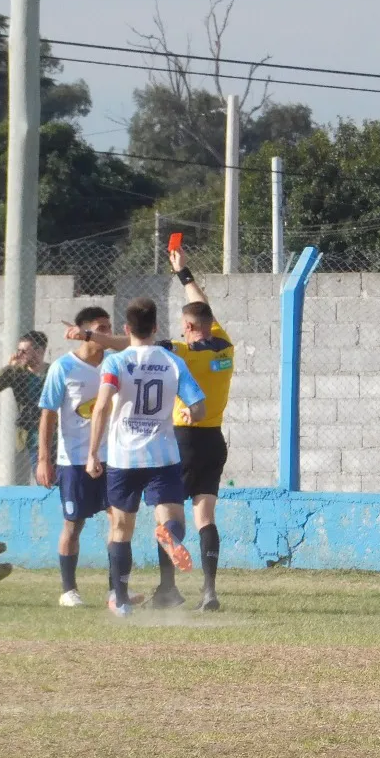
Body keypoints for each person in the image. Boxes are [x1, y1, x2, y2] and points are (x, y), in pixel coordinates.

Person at [65, 251, 235, 611]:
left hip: (161, 445)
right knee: (195, 517)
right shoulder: (223, 346)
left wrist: (88, 335)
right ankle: (207, 589)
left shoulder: (177, 352)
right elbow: (200, 307)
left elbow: (126, 352)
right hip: (204, 440)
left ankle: (145, 592)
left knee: (122, 527)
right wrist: (183, 273)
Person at [86, 298, 206, 617]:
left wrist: (92, 453)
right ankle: (170, 536)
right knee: (172, 519)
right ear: (155, 328)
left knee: (121, 529)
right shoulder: (172, 362)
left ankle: (120, 598)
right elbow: (198, 407)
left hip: (123, 457)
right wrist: (190, 413)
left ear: (127, 328)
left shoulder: (115, 362)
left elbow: (101, 406)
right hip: (163, 455)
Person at [37, 307, 114, 607]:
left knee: (119, 520)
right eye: (101, 328)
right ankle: (68, 590)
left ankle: (115, 590)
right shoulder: (63, 367)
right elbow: (48, 414)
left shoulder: (115, 363)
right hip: (74, 461)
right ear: (84, 331)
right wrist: (44, 459)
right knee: (73, 524)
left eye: (109, 327)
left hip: (112, 458)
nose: (107, 333)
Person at [0, 330, 50, 484]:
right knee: (42, 478)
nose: (19, 354)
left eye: (24, 351)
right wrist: (10, 367)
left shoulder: (53, 371)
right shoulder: (18, 373)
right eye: (18, 350)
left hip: (55, 431)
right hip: (33, 433)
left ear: (39, 351)